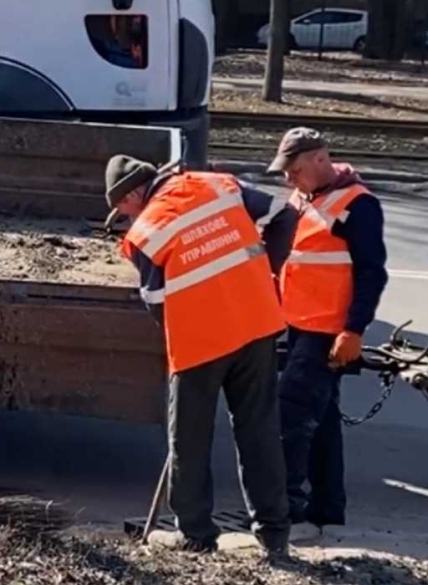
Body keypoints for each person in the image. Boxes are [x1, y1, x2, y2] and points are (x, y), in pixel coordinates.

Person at [105, 155, 292, 557]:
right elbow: (284, 213)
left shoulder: (148, 230)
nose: (123, 217)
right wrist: (265, 273)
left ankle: (195, 534)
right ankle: (274, 534)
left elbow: (156, 301)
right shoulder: (218, 185)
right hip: (257, 324)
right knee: (259, 431)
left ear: (134, 193)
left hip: (200, 342)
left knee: (188, 440)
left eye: (121, 208)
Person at [266, 128, 388, 536]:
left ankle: (288, 513)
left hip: (327, 331)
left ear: (321, 160)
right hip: (299, 324)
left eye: (295, 171)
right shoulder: (305, 196)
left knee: (292, 414)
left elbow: (372, 273)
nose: (289, 180)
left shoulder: (359, 205)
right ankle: (327, 511)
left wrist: (353, 331)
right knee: (323, 422)